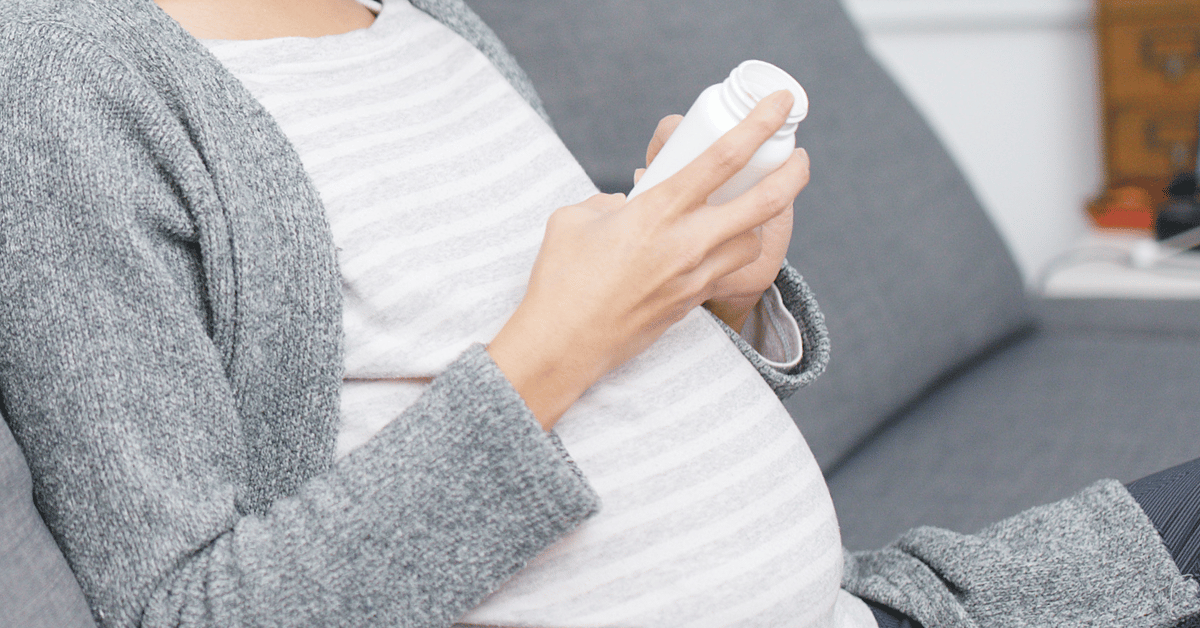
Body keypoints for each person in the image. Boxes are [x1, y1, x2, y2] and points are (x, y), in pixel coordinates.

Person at [1, 0, 1197, 627]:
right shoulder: (63, 83)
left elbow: (581, 368)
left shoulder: (418, 19)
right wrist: (558, 343)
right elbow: (190, 612)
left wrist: (716, 290)